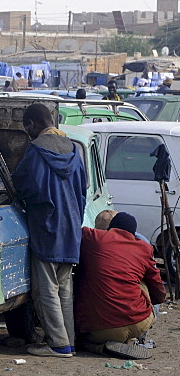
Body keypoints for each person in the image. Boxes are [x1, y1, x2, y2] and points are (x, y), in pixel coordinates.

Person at [11, 103, 87, 358]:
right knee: (64, 288)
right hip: (71, 227)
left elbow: (22, 186)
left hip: (46, 226)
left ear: (32, 124)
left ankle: (57, 344)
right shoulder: (74, 150)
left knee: (46, 289)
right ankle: (68, 341)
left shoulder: (35, 150)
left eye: (26, 127)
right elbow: (82, 192)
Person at [75, 212, 166, 359]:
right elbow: (159, 291)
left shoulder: (94, 237)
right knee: (142, 280)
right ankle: (134, 338)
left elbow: (74, 229)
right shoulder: (144, 248)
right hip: (139, 322)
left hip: (101, 328)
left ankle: (101, 347)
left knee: (84, 340)